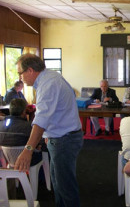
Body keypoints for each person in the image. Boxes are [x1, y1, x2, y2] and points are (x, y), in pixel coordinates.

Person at [14, 54, 83, 207]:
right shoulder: (50, 77)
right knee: (58, 184)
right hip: (61, 137)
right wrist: (48, 134)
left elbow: (41, 120)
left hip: (65, 139)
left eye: (21, 73)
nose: (20, 77)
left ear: (30, 70)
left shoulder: (48, 84)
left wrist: (28, 149)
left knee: (65, 187)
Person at [0, 98, 41, 166]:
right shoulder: (29, 127)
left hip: (9, 161)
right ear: (24, 112)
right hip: (30, 161)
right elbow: (37, 143)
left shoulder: (1, 125)